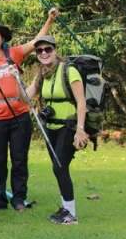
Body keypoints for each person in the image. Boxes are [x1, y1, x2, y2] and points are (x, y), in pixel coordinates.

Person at [0, 7, 59, 211]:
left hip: (19, 115)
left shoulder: (14, 53)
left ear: (2, 38)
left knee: (20, 159)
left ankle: (19, 197)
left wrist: (49, 20)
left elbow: (36, 41)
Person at [25, 35, 89, 224]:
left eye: (48, 49)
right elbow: (25, 97)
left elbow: (81, 102)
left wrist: (80, 129)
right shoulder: (42, 74)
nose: (44, 53)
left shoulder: (69, 71)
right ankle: (66, 209)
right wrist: (13, 78)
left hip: (68, 126)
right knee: (59, 169)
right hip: (50, 128)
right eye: (39, 50)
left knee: (59, 167)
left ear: (55, 50)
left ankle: (71, 214)